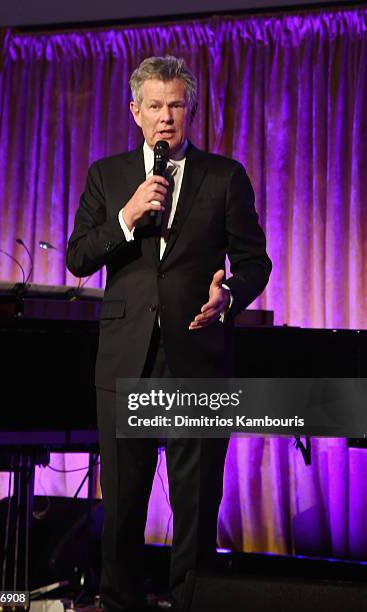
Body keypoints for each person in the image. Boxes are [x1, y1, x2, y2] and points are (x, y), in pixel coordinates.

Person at [67, 56, 271, 612]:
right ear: (135, 112)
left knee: (196, 505)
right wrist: (127, 217)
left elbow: (256, 261)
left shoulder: (224, 176)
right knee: (124, 506)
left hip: (196, 361)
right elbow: (78, 257)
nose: (165, 117)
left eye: (176, 105)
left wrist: (229, 295)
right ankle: (119, 603)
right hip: (125, 363)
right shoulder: (107, 176)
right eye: (154, 106)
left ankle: (190, 602)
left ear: (191, 110)